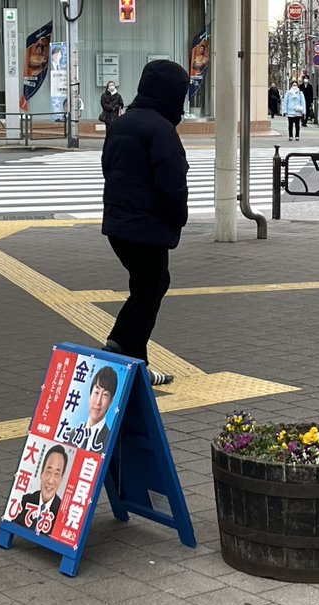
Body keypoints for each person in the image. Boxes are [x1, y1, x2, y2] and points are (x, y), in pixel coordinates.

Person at [100, 60, 190, 386]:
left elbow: (109, 168)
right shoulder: (161, 130)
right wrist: (178, 217)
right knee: (151, 287)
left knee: (148, 286)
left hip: (119, 224)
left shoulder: (122, 124)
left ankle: (134, 359)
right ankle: (121, 351)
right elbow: (172, 182)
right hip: (147, 227)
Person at [13, 444, 68, 535]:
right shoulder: (27, 500)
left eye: (57, 474)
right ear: (41, 472)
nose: (50, 480)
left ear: (62, 478)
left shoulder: (62, 511)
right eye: (48, 472)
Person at [80, 366, 117, 452]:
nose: (98, 402)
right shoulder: (69, 435)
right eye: (96, 392)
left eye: (105, 395)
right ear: (90, 395)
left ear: (110, 402)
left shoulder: (110, 442)